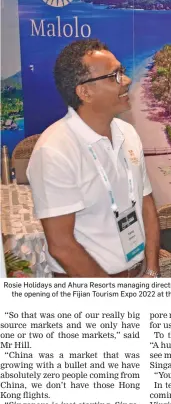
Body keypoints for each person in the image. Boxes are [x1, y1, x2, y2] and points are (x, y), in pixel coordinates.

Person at [27, 39, 160, 278]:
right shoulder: (55, 150)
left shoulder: (128, 132)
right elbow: (62, 246)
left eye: (123, 72)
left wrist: (151, 269)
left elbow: (146, 204)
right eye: (114, 76)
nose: (127, 81)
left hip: (139, 273)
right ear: (85, 92)